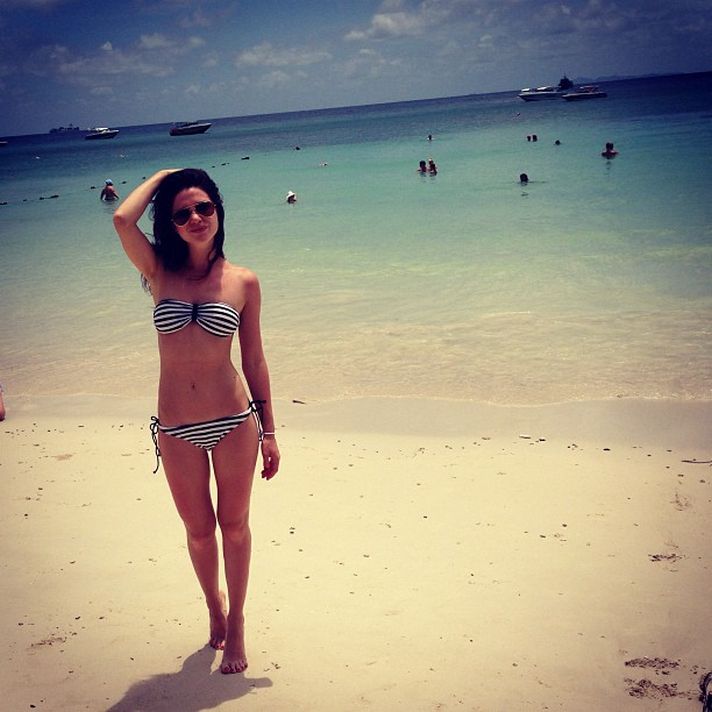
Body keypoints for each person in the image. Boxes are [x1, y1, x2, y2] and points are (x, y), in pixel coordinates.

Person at [113, 168, 280, 675]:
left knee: (235, 526)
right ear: (171, 224)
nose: (195, 218)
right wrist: (166, 176)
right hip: (176, 428)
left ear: (218, 211)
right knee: (199, 531)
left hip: (233, 421)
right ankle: (214, 604)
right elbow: (122, 220)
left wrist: (270, 431)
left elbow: (254, 360)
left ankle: (239, 623)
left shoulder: (243, 281)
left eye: (204, 207)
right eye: (182, 213)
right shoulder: (158, 271)